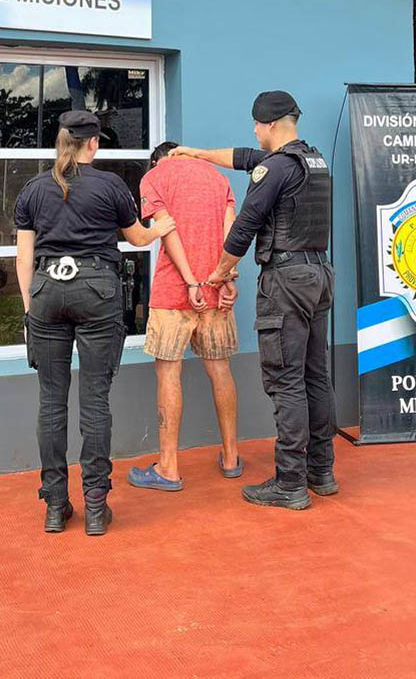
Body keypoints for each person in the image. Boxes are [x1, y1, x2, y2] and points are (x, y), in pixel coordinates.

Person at [171, 90, 337, 510]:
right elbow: (246, 158)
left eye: (257, 124)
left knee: (286, 380)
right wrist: (197, 153)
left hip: (287, 281)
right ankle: (321, 471)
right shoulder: (311, 160)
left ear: (272, 124)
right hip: (318, 275)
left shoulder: (277, 167)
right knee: (316, 376)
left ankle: (290, 483)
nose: (254, 130)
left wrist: (221, 272)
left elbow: (245, 226)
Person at [14, 111, 175, 536]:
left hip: (47, 290)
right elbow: (137, 238)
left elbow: (25, 258)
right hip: (97, 289)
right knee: (95, 402)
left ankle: (55, 506)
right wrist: (161, 226)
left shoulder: (34, 189)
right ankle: (97, 507)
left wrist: (31, 309)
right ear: (93, 143)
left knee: (51, 403)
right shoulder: (110, 185)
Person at [127, 141, 241, 492]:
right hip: (216, 288)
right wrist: (226, 277)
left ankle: (168, 467)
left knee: (168, 372)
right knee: (220, 369)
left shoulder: (154, 177)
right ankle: (232, 457)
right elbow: (231, 232)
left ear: (157, 160)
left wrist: (190, 281)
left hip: (174, 291)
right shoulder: (217, 177)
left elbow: (167, 230)